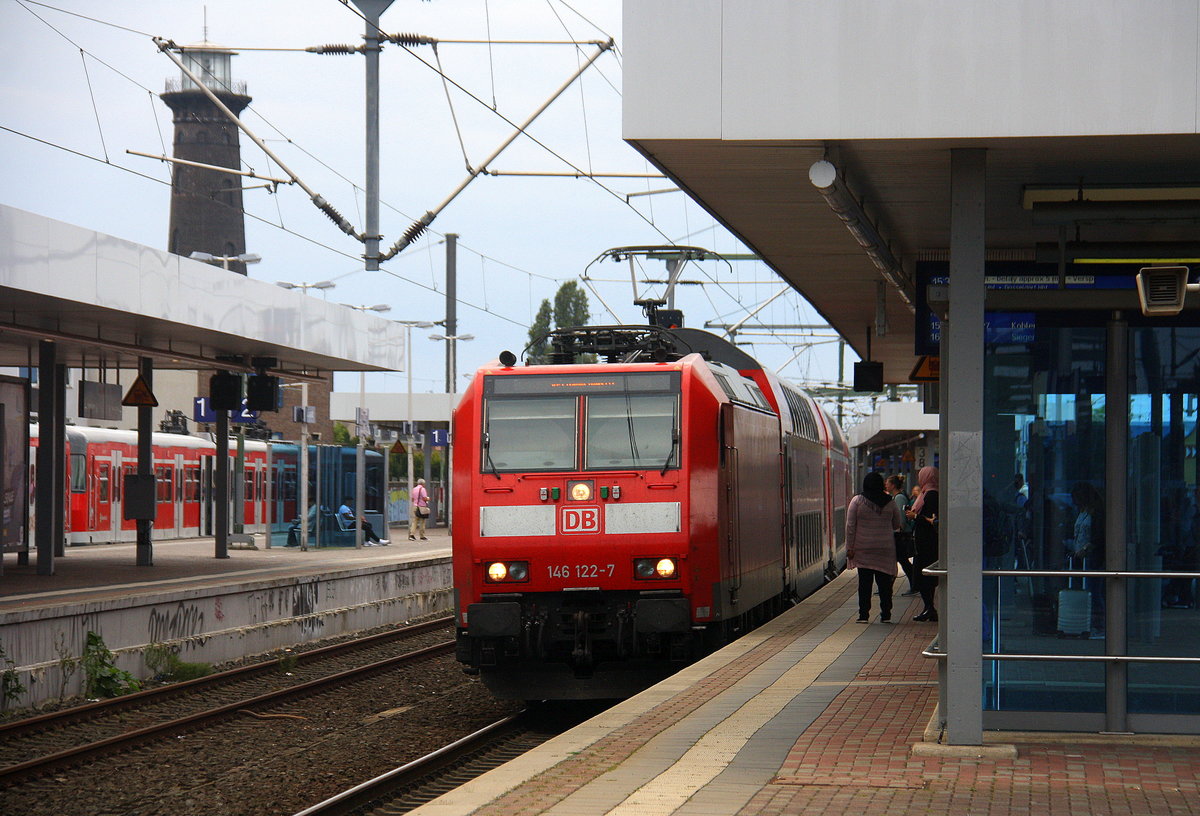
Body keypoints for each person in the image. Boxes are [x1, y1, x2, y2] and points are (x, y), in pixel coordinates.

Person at [846, 471, 903, 623]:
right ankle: (886, 615)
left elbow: (850, 526)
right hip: (885, 549)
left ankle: (863, 615)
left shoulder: (857, 501)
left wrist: (850, 548)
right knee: (885, 584)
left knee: (865, 583)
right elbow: (897, 524)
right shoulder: (890, 501)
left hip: (863, 548)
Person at [906, 465, 939, 622]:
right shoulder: (928, 492)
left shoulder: (931, 495)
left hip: (927, 543)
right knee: (926, 578)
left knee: (924, 577)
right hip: (926, 542)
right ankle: (929, 608)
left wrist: (915, 516)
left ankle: (929, 608)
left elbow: (933, 520)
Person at [885, 474, 918, 595]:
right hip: (901, 534)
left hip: (901, 535)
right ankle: (888, 586)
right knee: (900, 560)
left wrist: (897, 530)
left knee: (902, 560)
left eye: (887, 483)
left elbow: (900, 518)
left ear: (893, 485)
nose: (886, 485)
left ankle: (914, 585)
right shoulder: (898, 497)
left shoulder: (898, 498)